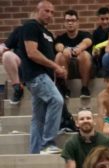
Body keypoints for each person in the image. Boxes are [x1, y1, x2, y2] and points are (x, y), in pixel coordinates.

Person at [19, 1, 66, 155]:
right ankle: (48, 143)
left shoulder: (48, 33)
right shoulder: (31, 26)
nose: (50, 15)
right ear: (37, 10)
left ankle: (35, 152)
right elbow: (32, 53)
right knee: (57, 100)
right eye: (46, 11)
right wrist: (55, 66)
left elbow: (48, 55)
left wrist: (58, 69)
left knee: (38, 117)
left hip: (45, 77)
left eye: (52, 12)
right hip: (36, 76)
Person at [53, 9, 92, 98]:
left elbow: (87, 42)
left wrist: (79, 48)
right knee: (59, 55)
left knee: (84, 54)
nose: (70, 23)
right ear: (64, 23)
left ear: (77, 22)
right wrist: (63, 50)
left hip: (84, 65)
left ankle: (85, 89)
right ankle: (64, 89)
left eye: (73, 20)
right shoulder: (60, 38)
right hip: (66, 66)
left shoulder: (85, 34)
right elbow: (57, 45)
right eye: (67, 21)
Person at [1, 23, 25, 104]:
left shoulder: (45, 34)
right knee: (7, 55)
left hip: (38, 70)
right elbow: (5, 46)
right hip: (21, 67)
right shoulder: (20, 30)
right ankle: (18, 88)